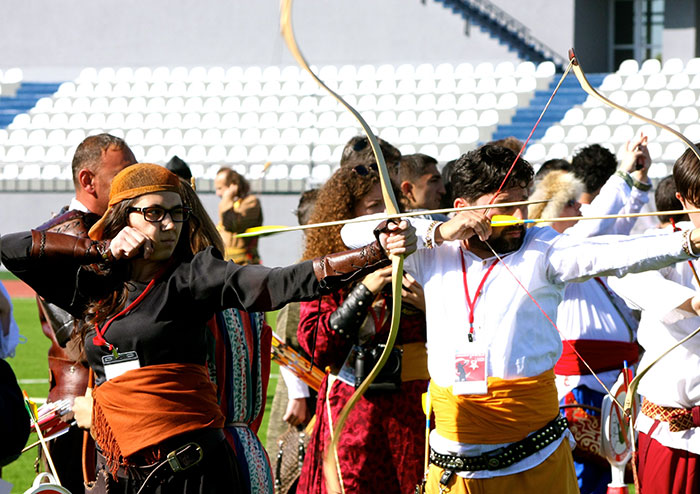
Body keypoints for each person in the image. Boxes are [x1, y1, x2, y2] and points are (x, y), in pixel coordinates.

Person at [1, 163, 415, 493]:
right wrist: (100, 249)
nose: (168, 225)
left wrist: (374, 252)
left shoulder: (195, 275)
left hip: (190, 470)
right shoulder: (95, 282)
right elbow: (11, 250)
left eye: (176, 213)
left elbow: (281, 282)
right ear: (122, 216)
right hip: (121, 468)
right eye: (153, 213)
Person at [340, 143, 700, 494]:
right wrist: (439, 231)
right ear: (463, 208)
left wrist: (688, 242)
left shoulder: (543, 248)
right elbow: (351, 232)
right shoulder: (434, 251)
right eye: (503, 208)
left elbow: (619, 253)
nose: (518, 219)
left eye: (522, 204)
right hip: (455, 460)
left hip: (535, 461)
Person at [529, 135, 652, 494]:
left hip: (613, 381)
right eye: (569, 203)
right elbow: (596, 224)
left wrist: (640, 181)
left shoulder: (579, 246)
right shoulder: (548, 251)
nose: (579, 209)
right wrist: (624, 173)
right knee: (586, 478)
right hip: (581, 387)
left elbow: (619, 229)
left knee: (617, 475)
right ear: (547, 210)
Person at [296, 166, 429, 494]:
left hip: (414, 409)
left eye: (390, 207)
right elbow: (317, 347)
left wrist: (430, 305)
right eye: (373, 208)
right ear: (347, 214)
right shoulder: (328, 267)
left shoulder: (422, 259)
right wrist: (363, 291)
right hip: (355, 410)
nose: (385, 217)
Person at [34, 133, 136, 494]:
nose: (133, 184)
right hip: (78, 411)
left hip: (121, 401)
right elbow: (77, 337)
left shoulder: (122, 231)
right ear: (88, 181)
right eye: (123, 174)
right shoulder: (57, 237)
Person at [607, 146, 700, 494]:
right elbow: (625, 274)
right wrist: (691, 302)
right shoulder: (663, 243)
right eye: (698, 202)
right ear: (681, 200)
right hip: (673, 433)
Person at [214, 167, 263, 264]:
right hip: (226, 264)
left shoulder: (251, 202)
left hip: (244, 265)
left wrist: (227, 197)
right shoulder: (229, 204)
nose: (217, 193)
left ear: (233, 185)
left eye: (220, 188)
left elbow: (231, 224)